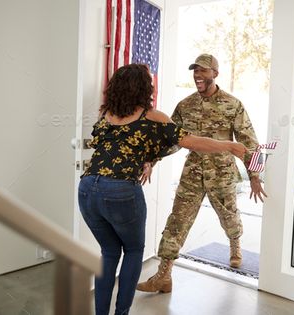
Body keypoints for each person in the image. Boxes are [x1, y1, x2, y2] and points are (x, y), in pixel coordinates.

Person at [78, 63, 246, 315]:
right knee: (133, 250)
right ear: (143, 87)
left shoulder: (107, 115)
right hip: (120, 190)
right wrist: (230, 146)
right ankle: (121, 313)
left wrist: (147, 159)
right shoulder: (152, 116)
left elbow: (114, 146)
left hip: (87, 188)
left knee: (109, 252)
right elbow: (191, 142)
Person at [136, 53, 267, 294]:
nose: (198, 75)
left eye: (203, 70)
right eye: (195, 70)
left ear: (215, 74)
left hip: (223, 174)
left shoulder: (233, 105)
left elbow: (249, 141)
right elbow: (170, 140)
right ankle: (164, 275)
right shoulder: (185, 106)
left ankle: (235, 242)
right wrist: (150, 161)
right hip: (193, 174)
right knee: (177, 220)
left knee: (229, 217)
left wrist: (255, 176)